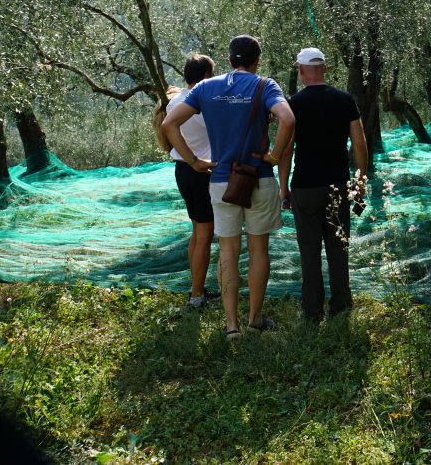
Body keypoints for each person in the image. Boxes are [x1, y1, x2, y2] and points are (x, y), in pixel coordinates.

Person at [162, 36, 294, 341]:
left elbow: (170, 124)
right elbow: (287, 119)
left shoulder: (206, 88)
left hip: (221, 180)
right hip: (258, 177)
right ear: (257, 59)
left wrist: (194, 161)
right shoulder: (265, 86)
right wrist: (274, 155)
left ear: (230, 59)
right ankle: (255, 319)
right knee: (258, 249)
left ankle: (232, 325)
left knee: (227, 252)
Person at [279, 47, 368, 323]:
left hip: (305, 188)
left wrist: (284, 189)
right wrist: (360, 181)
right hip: (337, 187)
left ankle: (312, 311)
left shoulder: (293, 104)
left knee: (309, 252)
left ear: (302, 70)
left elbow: (286, 150)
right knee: (338, 250)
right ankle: (341, 306)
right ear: (324, 69)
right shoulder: (345, 100)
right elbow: (360, 143)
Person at [156, 54, 216, 309]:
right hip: (200, 172)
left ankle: (196, 288)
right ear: (205, 77)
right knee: (204, 236)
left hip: (183, 172)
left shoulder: (174, 102)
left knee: (197, 232)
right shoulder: (203, 103)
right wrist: (194, 160)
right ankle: (196, 297)